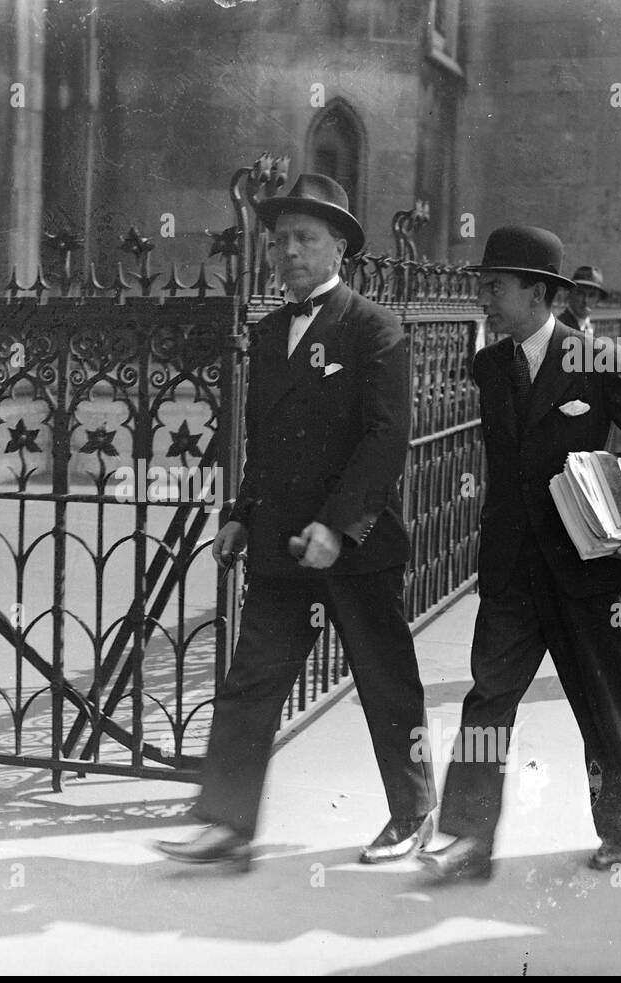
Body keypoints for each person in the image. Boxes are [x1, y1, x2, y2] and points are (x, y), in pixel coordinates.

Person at [153, 174, 436, 871]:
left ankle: (413, 811)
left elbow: (385, 440)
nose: (288, 252)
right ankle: (226, 825)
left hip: (355, 548)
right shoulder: (269, 330)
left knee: (384, 681)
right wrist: (241, 516)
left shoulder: (375, 327)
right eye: (279, 240)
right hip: (280, 545)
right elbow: (265, 443)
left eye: (306, 238)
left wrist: (337, 528)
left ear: (339, 247)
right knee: (251, 683)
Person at [419, 225, 621, 883]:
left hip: (585, 572)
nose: (483, 298)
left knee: (601, 706)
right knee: (488, 703)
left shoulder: (599, 359)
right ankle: (465, 839)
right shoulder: (490, 364)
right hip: (512, 570)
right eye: (483, 285)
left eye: (495, 287)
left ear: (539, 293)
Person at [559, 265, 607, 333]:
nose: (585, 300)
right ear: (569, 294)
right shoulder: (560, 327)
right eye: (580, 293)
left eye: (591, 295)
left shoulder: (590, 328)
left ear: (598, 299)